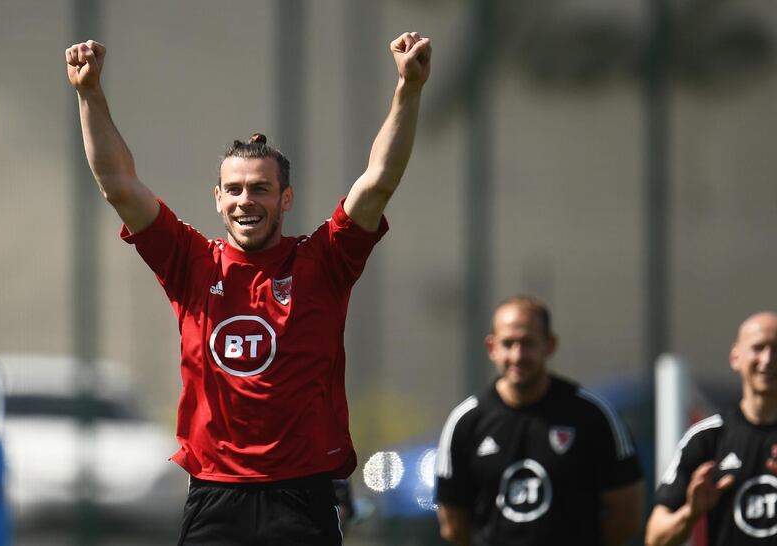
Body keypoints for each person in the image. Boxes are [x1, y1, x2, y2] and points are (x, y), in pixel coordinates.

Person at [65, 32, 431, 546]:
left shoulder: (325, 260)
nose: (246, 200)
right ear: (217, 198)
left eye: (260, 188)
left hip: (302, 495)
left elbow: (378, 181)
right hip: (214, 494)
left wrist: (408, 89)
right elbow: (118, 185)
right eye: (234, 189)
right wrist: (89, 93)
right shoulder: (189, 261)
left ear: (286, 199)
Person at [435, 296, 645, 546]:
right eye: (508, 343)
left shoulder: (591, 415)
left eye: (527, 343)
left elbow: (627, 516)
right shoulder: (467, 421)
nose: (518, 355)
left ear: (550, 344)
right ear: (492, 348)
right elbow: (453, 526)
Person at [645, 311, 777, 546]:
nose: (768, 359)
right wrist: (691, 513)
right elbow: (655, 538)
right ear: (736, 357)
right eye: (758, 348)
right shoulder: (707, 437)